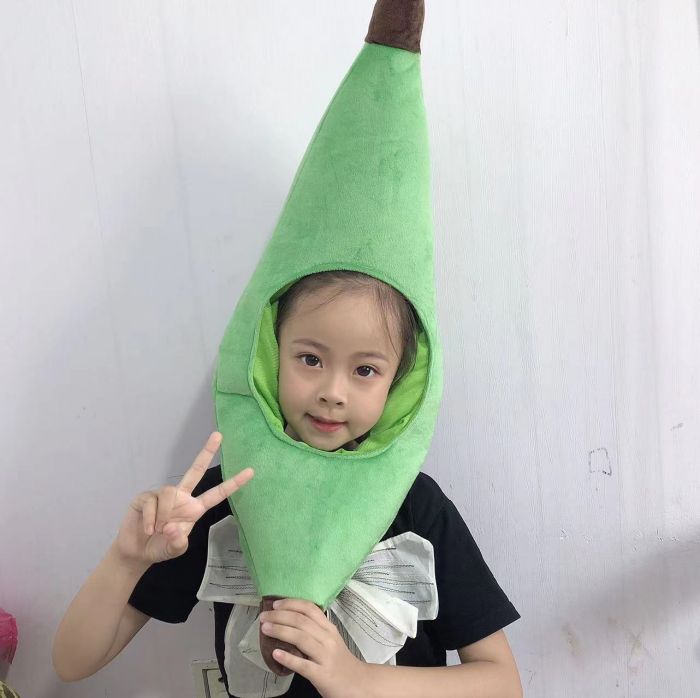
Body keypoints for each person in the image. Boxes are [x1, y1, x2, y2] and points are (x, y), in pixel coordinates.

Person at [52, 270, 523, 697]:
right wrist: (126, 560)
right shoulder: (222, 499)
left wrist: (359, 680)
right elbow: (73, 663)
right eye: (310, 359)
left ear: (398, 385)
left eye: (365, 370)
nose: (332, 393)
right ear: (270, 356)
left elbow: (502, 683)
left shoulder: (416, 504)